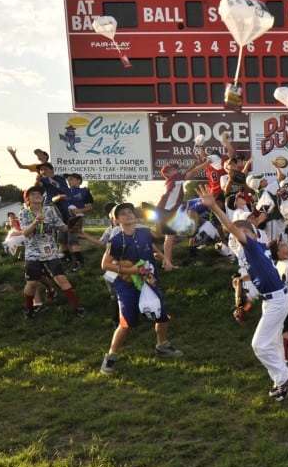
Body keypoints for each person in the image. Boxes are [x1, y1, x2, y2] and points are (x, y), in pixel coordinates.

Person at [201, 191, 288, 401]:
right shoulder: (258, 247)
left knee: (259, 345)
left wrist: (214, 208)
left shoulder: (252, 246)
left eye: (242, 232)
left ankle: (284, 376)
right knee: (273, 343)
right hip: (274, 299)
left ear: (251, 235)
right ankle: (281, 379)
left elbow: (231, 227)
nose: (237, 235)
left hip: (277, 301)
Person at [99, 203, 183, 374]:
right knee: (126, 323)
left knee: (162, 316)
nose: (128, 215)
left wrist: (164, 258)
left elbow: (155, 239)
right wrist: (131, 270)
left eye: (130, 212)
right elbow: (105, 264)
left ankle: (162, 345)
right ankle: (111, 356)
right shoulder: (115, 241)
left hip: (149, 281)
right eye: (123, 214)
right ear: (116, 220)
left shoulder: (144, 232)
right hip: (127, 285)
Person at [17, 186, 87, 319]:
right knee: (32, 283)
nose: (37, 195)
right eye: (33, 194)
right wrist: (35, 222)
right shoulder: (24, 213)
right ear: (27, 199)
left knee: (61, 279)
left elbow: (62, 227)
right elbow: (25, 233)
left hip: (50, 251)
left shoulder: (49, 210)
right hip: (33, 252)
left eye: (39, 193)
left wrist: (72, 225)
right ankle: (28, 309)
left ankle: (78, 308)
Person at [156, 160, 210, 271]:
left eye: (175, 168)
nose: (175, 170)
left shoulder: (174, 180)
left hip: (166, 210)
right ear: (166, 174)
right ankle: (167, 263)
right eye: (172, 169)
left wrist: (195, 163)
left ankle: (167, 264)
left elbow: (188, 171)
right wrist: (207, 162)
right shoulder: (175, 179)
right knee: (204, 202)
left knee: (169, 238)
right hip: (168, 211)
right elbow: (192, 173)